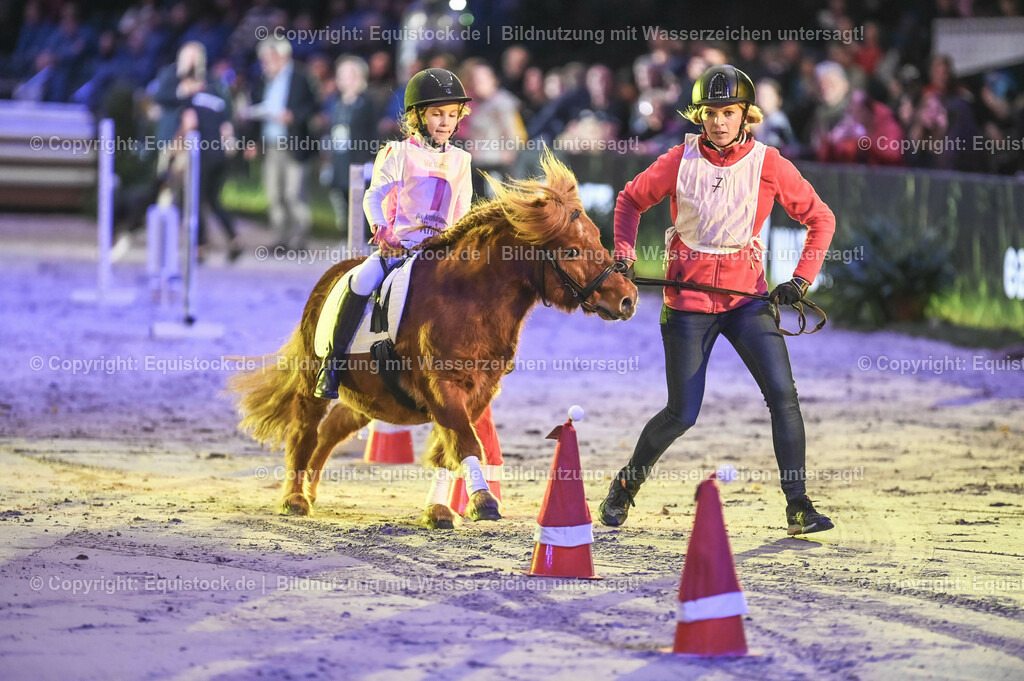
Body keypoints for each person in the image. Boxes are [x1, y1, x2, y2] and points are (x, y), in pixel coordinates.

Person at [600, 65, 837, 536]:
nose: (718, 121)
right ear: (699, 115)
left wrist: (800, 280)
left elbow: (821, 218)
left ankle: (798, 506)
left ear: (746, 115)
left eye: (728, 112)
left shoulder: (770, 164)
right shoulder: (677, 160)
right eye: (710, 112)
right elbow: (629, 201)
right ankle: (625, 486)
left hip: (747, 300)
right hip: (687, 303)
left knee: (783, 396)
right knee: (682, 413)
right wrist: (623, 256)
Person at [313, 67, 473, 400]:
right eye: (437, 114)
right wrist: (381, 228)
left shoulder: (462, 160)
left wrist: (460, 243)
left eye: (451, 115)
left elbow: (462, 211)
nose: (445, 122)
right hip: (399, 247)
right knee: (361, 281)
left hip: (440, 250)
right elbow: (373, 196)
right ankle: (332, 363)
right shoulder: (398, 153)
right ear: (417, 116)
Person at [244, 37, 319, 251]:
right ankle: (281, 238)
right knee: (274, 193)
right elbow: (255, 110)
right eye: (263, 60)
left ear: (282, 56)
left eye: (269, 58)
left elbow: (314, 105)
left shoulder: (301, 77)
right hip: (270, 143)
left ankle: (299, 238)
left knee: (293, 193)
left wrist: (294, 116)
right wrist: (251, 142)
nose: (265, 63)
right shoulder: (262, 80)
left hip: (295, 143)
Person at [324, 55, 378, 235]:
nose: (342, 79)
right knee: (344, 198)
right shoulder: (338, 102)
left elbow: (374, 132)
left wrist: (372, 158)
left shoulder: (367, 101)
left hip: (360, 160)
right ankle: (351, 240)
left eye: (347, 74)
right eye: (341, 74)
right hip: (341, 158)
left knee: (362, 204)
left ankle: (367, 243)